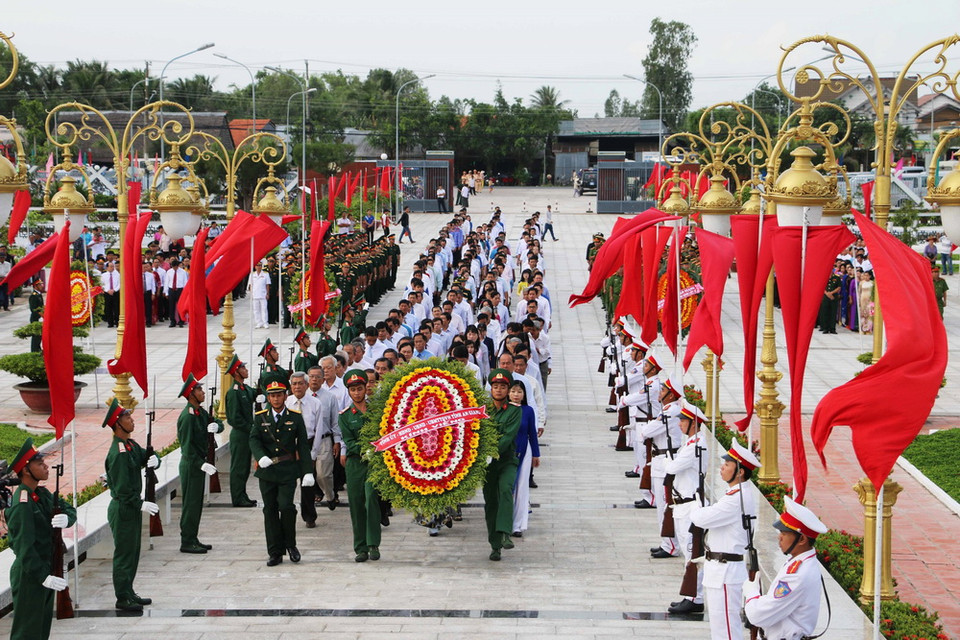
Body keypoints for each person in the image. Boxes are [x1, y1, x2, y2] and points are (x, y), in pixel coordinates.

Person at [5, 438, 77, 638]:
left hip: (45, 568)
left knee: (40, 629)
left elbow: (68, 509)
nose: (46, 467)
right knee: (27, 631)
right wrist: (42, 576)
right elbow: (24, 548)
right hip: (30, 574)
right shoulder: (22, 504)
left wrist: (67, 519)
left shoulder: (40, 494)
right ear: (26, 470)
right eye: (39, 463)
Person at [689, 440, 761, 640]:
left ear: (740, 472)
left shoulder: (735, 499)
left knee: (727, 629)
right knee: (720, 627)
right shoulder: (736, 494)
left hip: (726, 571)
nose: (722, 467)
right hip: (720, 569)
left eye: (727, 464)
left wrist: (696, 506)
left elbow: (701, 518)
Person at [102, 398, 161, 611]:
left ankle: (129, 591)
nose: (132, 420)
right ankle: (122, 597)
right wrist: (139, 503)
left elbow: (145, 457)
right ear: (117, 423)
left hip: (131, 507)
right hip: (124, 508)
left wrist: (155, 459)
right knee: (124, 554)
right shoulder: (118, 453)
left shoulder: (130, 445)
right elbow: (122, 487)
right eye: (127, 417)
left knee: (133, 552)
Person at [743, 497, 829, 640]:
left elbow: (757, 615)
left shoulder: (797, 574)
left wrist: (751, 593)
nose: (779, 537)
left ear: (802, 540)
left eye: (784, 533)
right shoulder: (799, 562)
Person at [250, 380, 313, 566]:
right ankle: (274, 551)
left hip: (287, 470)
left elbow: (302, 445)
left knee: (286, 507)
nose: (276, 398)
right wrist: (260, 456)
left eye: (279, 395)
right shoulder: (260, 417)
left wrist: (307, 472)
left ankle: (291, 545)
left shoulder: (295, 417)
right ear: (268, 398)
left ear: (286, 396)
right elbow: (254, 440)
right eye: (272, 395)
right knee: (269, 510)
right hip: (267, 472)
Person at [663, 400, 706, 615]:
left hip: (690, 505)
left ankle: (695, 597)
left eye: (683, 420)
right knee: (688, 552)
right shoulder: (690, 443)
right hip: (682, 505)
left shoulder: (695, 446)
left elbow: (672, 467)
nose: (679, 424)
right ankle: (690, 595)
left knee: (691, 552)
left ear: (693, 423)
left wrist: (668, 461)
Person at [177, 374, 223, 554]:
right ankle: (187, 541)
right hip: (191, 465)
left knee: (196, 504)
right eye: (198, 390)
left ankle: (193, 537)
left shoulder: (199, 412)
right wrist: (201, 464)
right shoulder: (188, 417)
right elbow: (187, 448)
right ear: (190, 394)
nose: (202, 392)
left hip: (197, 464)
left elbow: (216, 422)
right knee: (190, 504)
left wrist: (216, 427)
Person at [339, 369, 382, 562]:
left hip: (374, 463)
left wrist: (376, 448)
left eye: (360, 388)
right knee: (356, 504)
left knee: (371, 498)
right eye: (353, 390)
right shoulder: (346, 415)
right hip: (356, 463)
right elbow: (349, 440)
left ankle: (373, 544)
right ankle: (360, 547)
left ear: (366, 388)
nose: (357, 393)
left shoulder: (377, 411)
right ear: (348, 392)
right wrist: (365, 449)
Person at [484, 369, 522, 561]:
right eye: (495, 386)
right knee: (491, 503)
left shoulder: (515, 411)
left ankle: (506, 532)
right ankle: (495, 545)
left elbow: (508, 436)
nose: (498, 390)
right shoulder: (483, 410)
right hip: (487, 466)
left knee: (505, 489)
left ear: (508, 390)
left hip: (506, 461)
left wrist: (491, 451)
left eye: (503, 387)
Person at [224, 355, 257, 508]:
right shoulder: (234, 392)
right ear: (236, 372)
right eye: (243, 368)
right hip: (240, 434)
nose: (246, 370)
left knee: (244, 468)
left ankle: (242, 495)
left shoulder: (244, 388)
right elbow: (234, 418)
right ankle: (237, 498)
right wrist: (250, 428)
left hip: (246, 433)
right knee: (238, 468)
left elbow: (254, 393)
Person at [509, 380, 540, 538]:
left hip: (524, 450)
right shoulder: (504, 409)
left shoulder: (528, 411)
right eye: (513, 391)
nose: (516, 394)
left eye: (519, 392)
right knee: (508, 488)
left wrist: (536, 453)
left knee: (521, 487)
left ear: (524, 395)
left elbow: (532, 434)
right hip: (507, 452)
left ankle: (517, 525)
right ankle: (505, 521)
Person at [164, 259, 187, 327]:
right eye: (173, 267)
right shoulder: (169, 272)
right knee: (171, 306)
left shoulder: (183, 272)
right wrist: (166, 292)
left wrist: (184, 292)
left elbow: (185, 281)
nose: (175, 268)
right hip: (172, 289)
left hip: (180, 289)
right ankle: (172, 321)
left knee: (180, 306)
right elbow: (166, 282)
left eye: (176, 267)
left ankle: (181, 320)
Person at [249, 262, 270, 329]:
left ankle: (265, 323)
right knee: (256, 310)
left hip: (263, 294)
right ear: (255, 267)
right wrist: (251, 294)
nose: (258, 267)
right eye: (257, 265)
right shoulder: (252, 275)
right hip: (255, 294)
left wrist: (267, 293)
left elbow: (267, 285)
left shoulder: (265, 274)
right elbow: (250, 285)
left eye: (260, 265)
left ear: (262, 266)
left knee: (264, 309)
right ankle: (258, 322)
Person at [101, 261, 121, 328]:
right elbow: (102, 285)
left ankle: (117, 321)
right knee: (108, 308)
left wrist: (114, 290)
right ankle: (110, 322)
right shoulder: (103, 275)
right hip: (107, 293)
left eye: (113, 266)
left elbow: (120, 284)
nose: (112, 268)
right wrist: (107, 290)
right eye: (111, 266)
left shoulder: (118, 275)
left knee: (116, 308)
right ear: (107, 267)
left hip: (115, 292)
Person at [29, 280, 44, 352]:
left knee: (39, 335)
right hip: (35, 317)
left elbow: (41, 306)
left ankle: (38, 348)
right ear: (35, 286)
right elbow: (33, 308)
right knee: (35, 335)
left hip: (39, 317)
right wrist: (40, 314)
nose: (42, 286)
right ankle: (34, 350)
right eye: (40, 284)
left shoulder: (39, 294)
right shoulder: (33, 295)